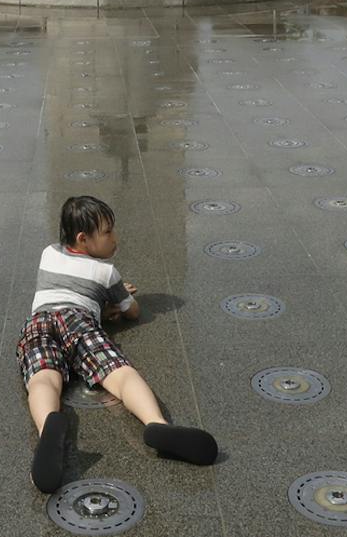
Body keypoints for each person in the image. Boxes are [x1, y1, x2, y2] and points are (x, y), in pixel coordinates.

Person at [17, 195, 216, 494]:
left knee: (43, 378)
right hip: (79, 321)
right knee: (119, 374)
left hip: (40, 321)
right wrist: (116, 300)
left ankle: (49, 429)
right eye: (108, 232)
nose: (116, 239)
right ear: (84, 239)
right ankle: (155, 424)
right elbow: (132, 311)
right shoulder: (107, 273)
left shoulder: (48, 253)